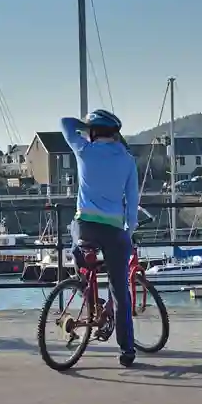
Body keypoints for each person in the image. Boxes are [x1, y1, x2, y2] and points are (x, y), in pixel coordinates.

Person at [60, 109, 140, 367]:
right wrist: (128, 230)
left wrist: (85, 126)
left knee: (78, 251)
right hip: (115, 229)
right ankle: (127, 350)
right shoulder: (127, 160)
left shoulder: (84, 149)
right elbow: (132, 201)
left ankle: (88, 292)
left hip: (86, 227)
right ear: (115, 133)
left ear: (93, 132)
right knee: (120, 289)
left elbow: (65, 123)